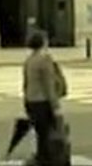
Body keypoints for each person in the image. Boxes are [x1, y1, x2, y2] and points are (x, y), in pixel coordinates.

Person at [22, 30, 66, 166]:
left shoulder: (29, 60)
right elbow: (48, 85)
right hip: (43, 102)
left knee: (40, 134)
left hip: (31, 101)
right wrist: (55, 106)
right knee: (49, 134)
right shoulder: (45, 59)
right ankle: (47, 159)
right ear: (43, 42)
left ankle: (42, 158)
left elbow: (25, 84)